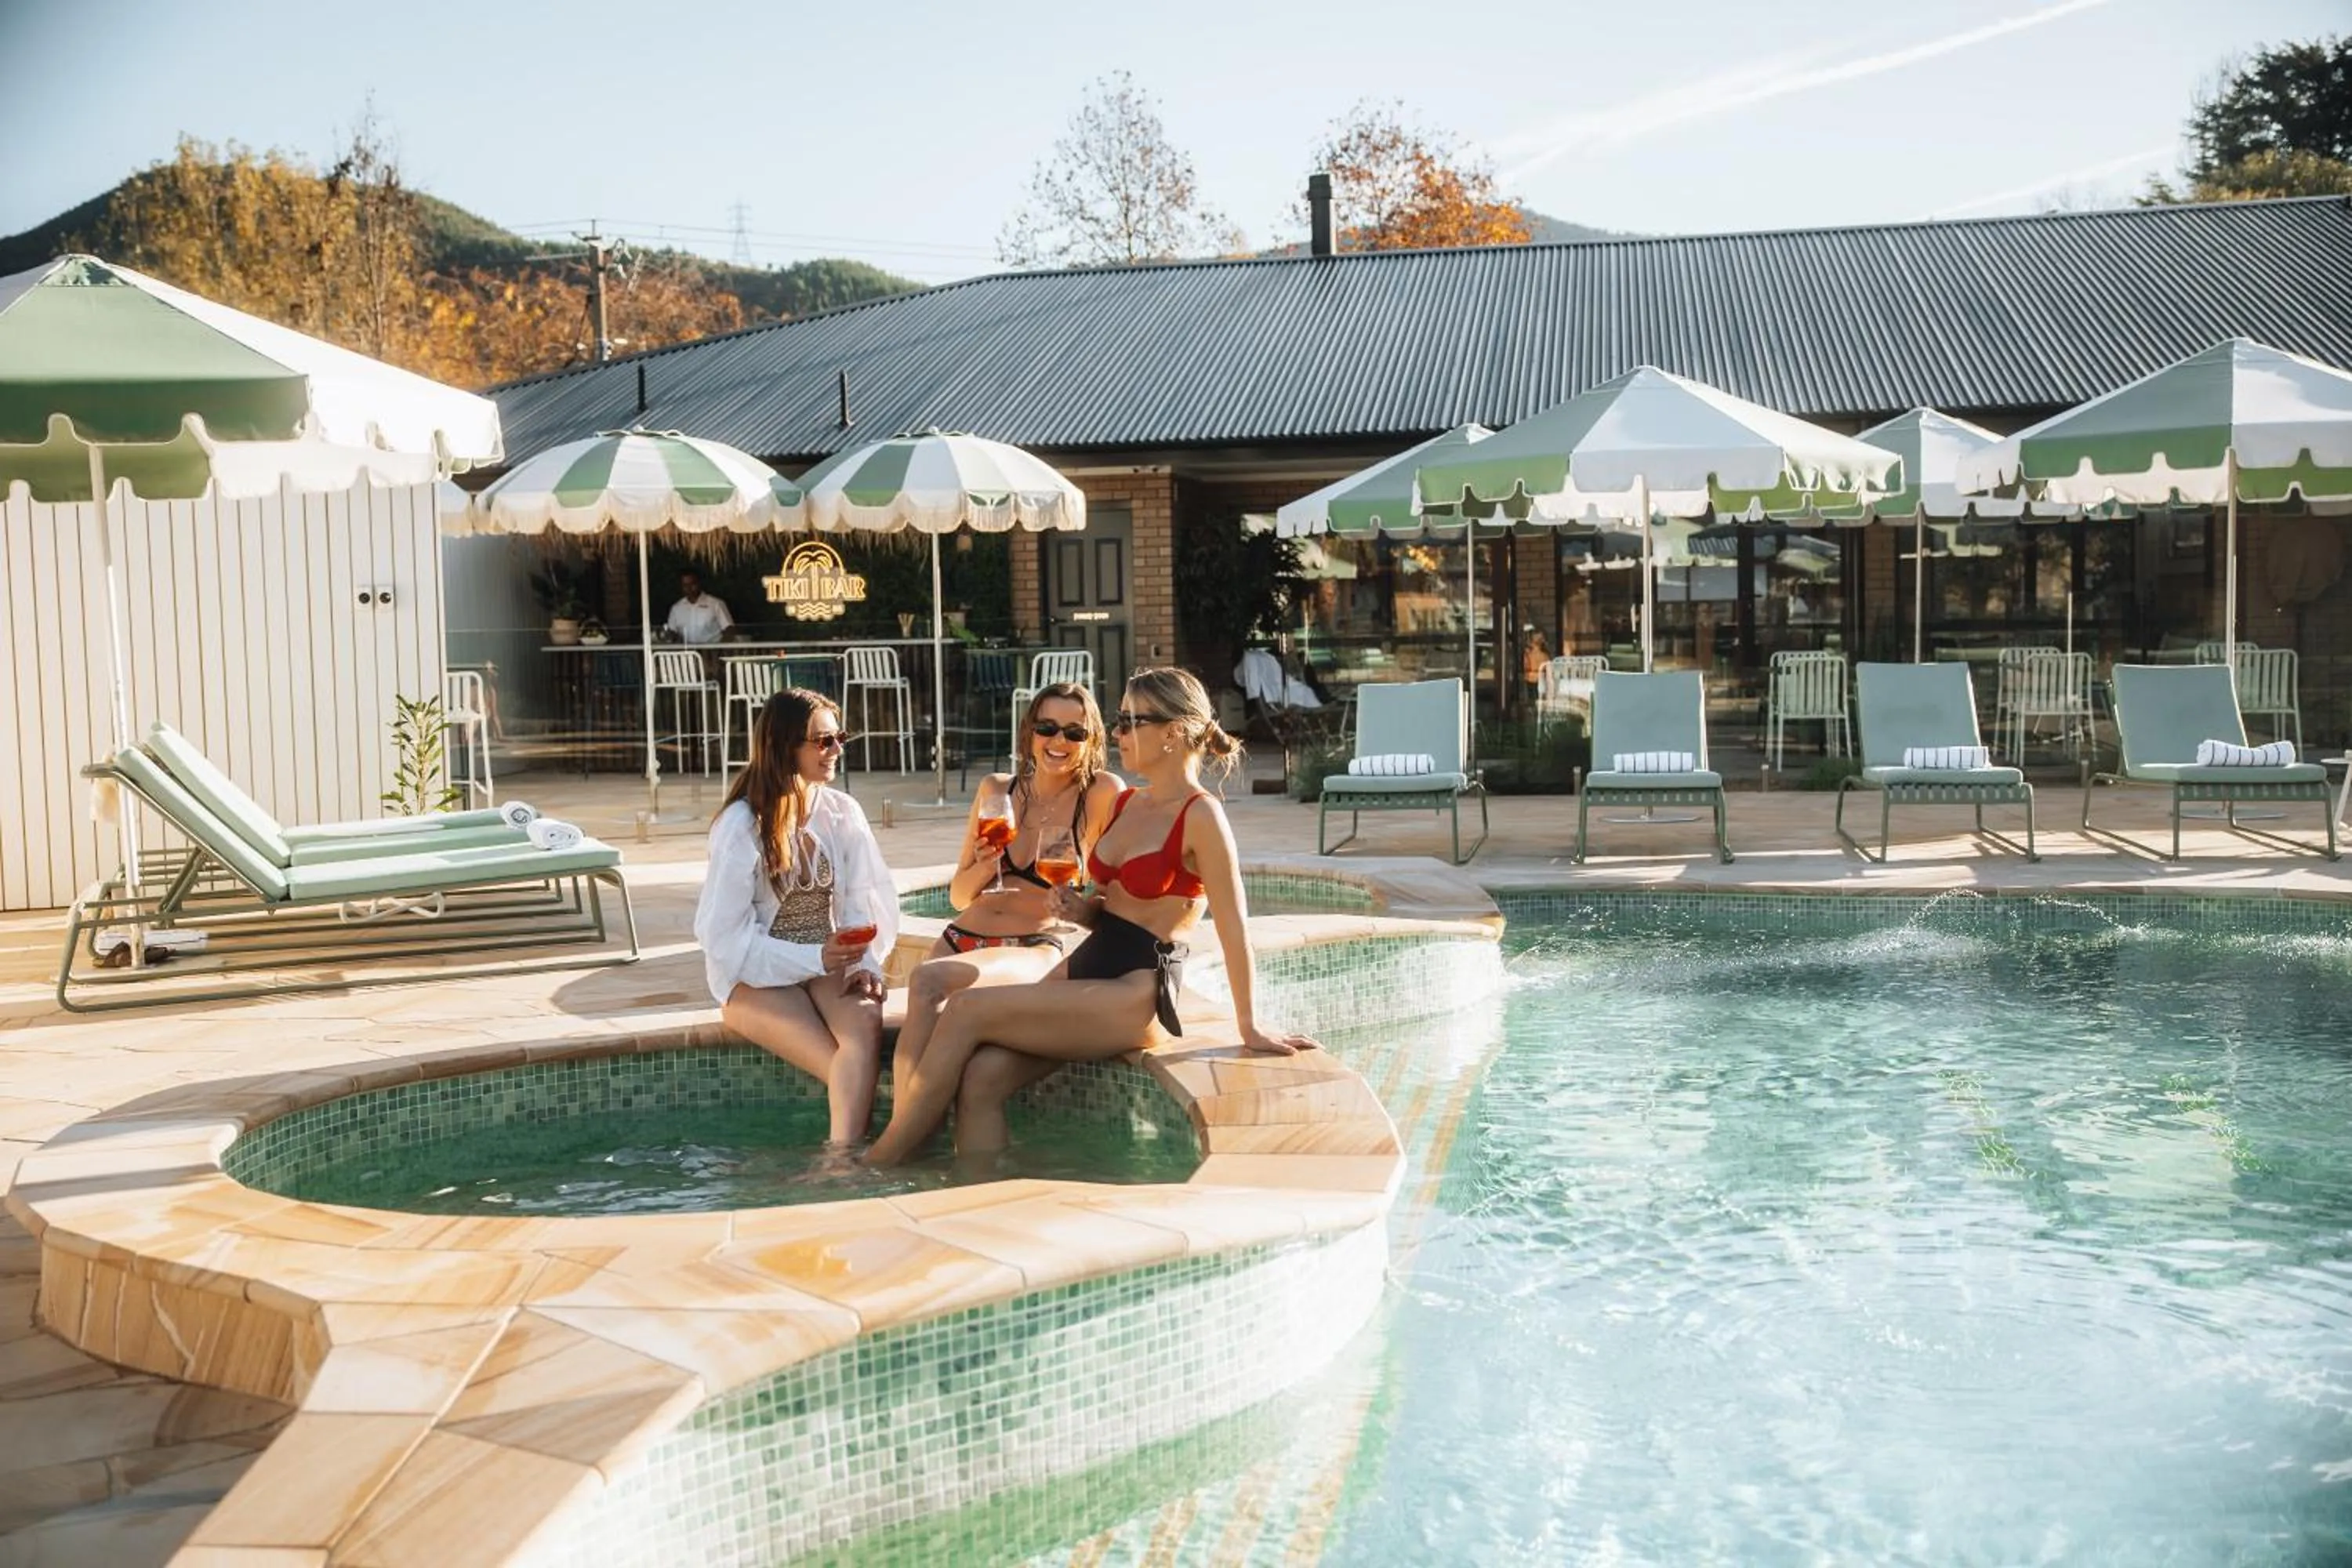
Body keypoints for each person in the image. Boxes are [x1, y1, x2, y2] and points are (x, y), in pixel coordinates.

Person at [866, 666, 1320, 1166]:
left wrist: (1249, 1027)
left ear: (1171, 733)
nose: (1118, 732)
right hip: (1087, 966)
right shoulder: (1129, 802)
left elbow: (1234, 929)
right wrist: (1082, 910)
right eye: (1120, 719)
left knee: (966, 1011)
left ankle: (882, 1163)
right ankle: (971, 1194)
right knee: (982, 1078)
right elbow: (1109, 906)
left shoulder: (1201, 816)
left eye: (1129, 721)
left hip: (1135, 987)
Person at [891, 682, 1125, 1093]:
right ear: (1028, 731)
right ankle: (907, 1128)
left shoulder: (1102, 793)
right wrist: (984, 865)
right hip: (961, 936)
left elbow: (1115, 898)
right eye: (1047, 728)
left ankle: (900, 1140)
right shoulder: (997, 790)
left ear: (1092, 742)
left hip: (1031, 943)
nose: (1058, 741)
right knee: (926, 1004)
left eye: (1075, 733)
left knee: (926, 983)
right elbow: (959, 897)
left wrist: (1082, 906)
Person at [694, 688, 898, 1147]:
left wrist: (865, 965)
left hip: (825, 959)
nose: (837, 751)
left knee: (864, 1022)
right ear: (786, 747)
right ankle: (846, 1155)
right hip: (751, 975)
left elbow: (868, 898)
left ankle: (838, 1158)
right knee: (841, 1065)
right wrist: (815, 959)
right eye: (823, 741)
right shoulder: (741, 826)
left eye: (839, 737)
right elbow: (723, 939)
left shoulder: (842, 812)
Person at [665, 569, 734, 644]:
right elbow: (671, 632)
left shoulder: (716, 604)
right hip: (687, 653)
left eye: (692, 584)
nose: (689, 588)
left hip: (712, 651)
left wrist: (721, 649)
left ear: (699, 583)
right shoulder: (676, 608)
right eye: (685, 585)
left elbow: (729, 629)